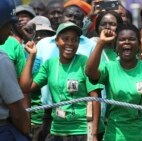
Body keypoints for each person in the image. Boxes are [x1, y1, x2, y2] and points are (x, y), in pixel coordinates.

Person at [20, 22, 104, 141]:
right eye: (65, 39)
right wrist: (32, 55)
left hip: (82, 130)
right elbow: (26, 87)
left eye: (74, 40)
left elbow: (95, 97)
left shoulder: (84, 62)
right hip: (57, 130)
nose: (70, 43)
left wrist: (94, 135)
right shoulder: (50, 64)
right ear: (57, 42)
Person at [85, 24, 142, 141]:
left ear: (139, 45)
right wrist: (101, 42)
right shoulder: (109, 67)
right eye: (122, 39)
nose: (127, 42)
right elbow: (90, 72)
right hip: (116, 135)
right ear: (116, 46)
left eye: (132, 39)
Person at [0, 0, 30, 140]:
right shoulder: (2, 60)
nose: (10, 31)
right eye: (7, 25)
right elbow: (17, 112)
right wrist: (25, 131)